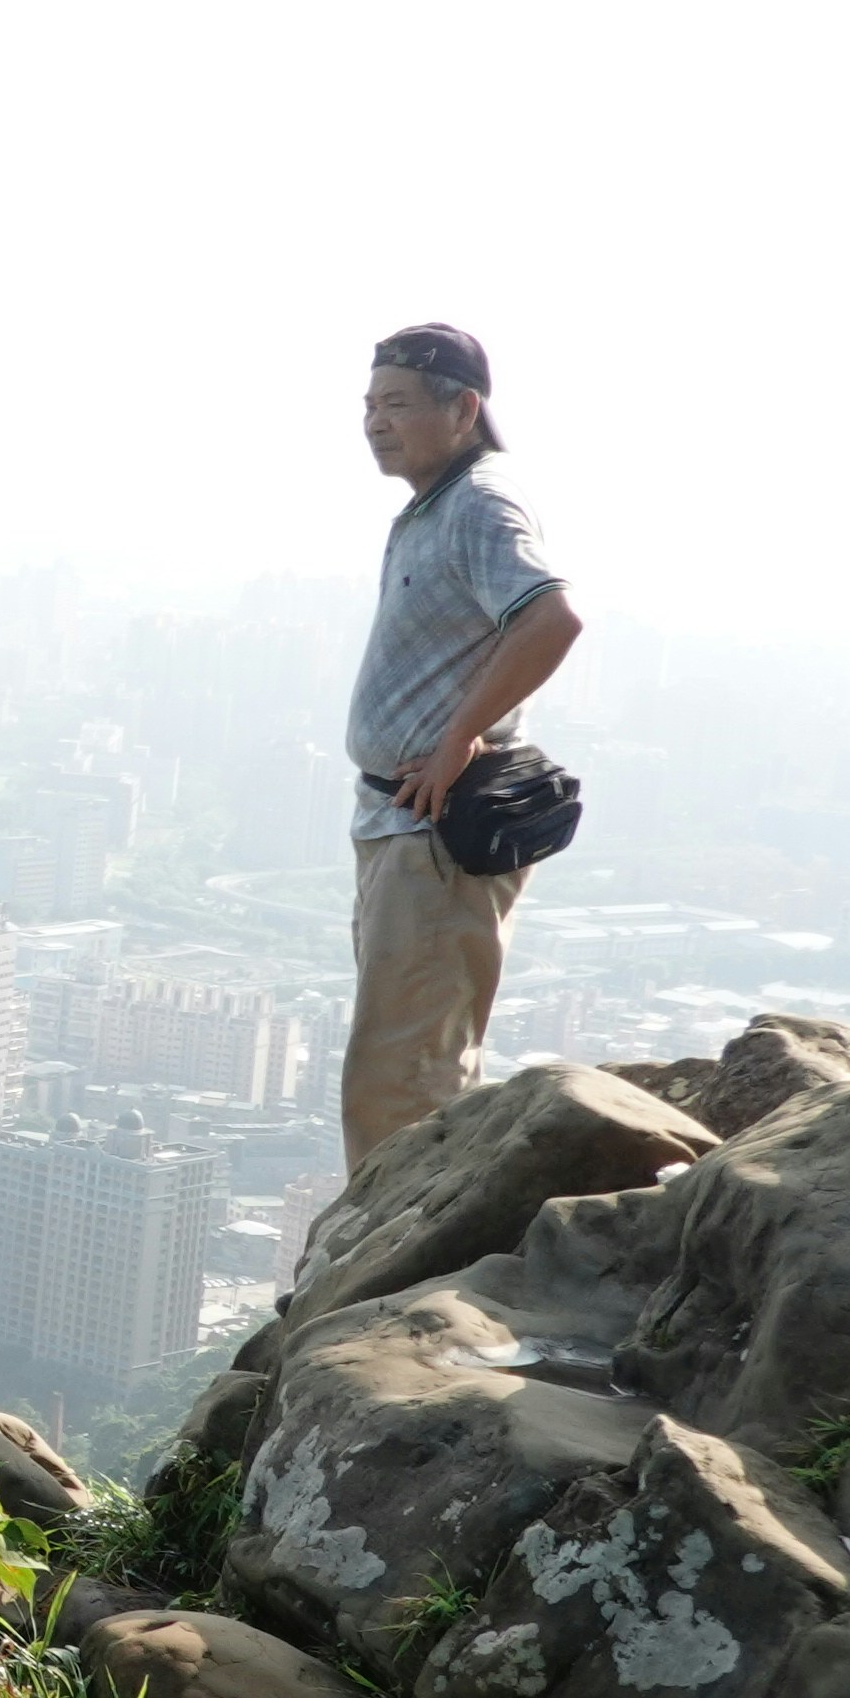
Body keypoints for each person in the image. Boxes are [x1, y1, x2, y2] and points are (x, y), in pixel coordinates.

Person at [340, 322, 581, 1173]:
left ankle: (390, 1273)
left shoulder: (481, 502)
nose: (374, 421)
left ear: (463, 408)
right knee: (402, 1059)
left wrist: (455, 742)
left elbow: (551, 619)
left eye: (397, 404)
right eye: (369, 405)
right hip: (398, 824)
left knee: (402, 1077)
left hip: (435, 833)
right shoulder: (432, 508)